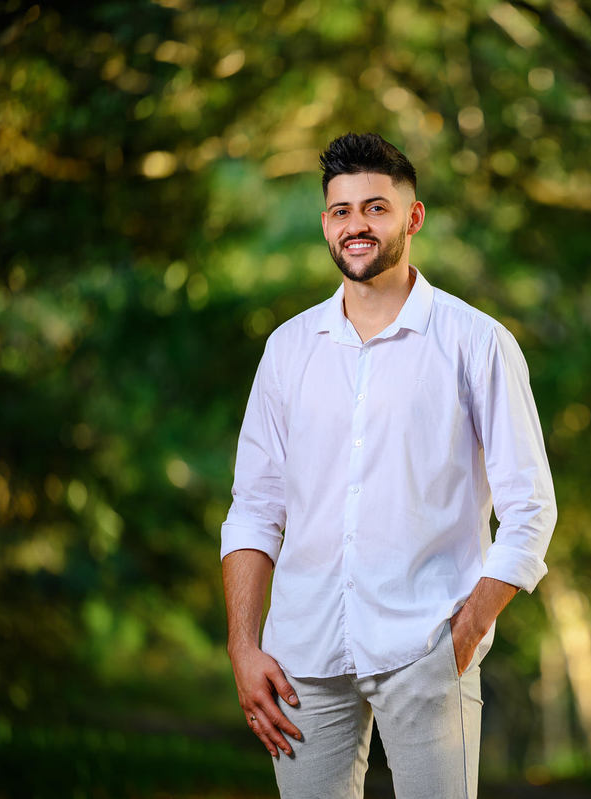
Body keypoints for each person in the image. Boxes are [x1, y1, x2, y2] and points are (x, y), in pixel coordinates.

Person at [220, 132, 557, 799]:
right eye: (342, 210)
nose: (357, 225)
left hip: (425, 648)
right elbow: (255, 510)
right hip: (302, 655)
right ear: (325, 223)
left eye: (376, 208)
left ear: (413, 216)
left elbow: (531, 509)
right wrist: (244, 645)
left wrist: (464, 632)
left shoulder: (476, 343)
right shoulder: (289, 350)